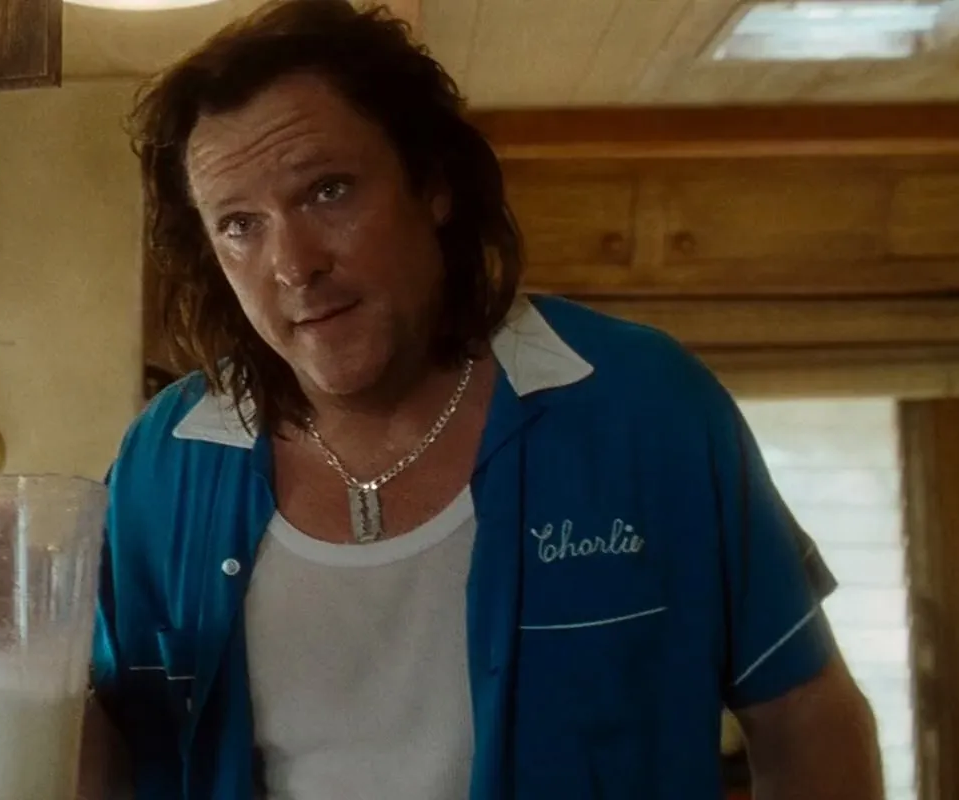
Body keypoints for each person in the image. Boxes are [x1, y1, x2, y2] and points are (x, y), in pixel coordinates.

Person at [81, 0, 884, 798]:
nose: (293, 264)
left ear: (431, 183)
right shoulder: (164, 460)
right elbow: (106, 737)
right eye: (239, 225)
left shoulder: (648, 407)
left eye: (328, 191)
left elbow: (807, 718)